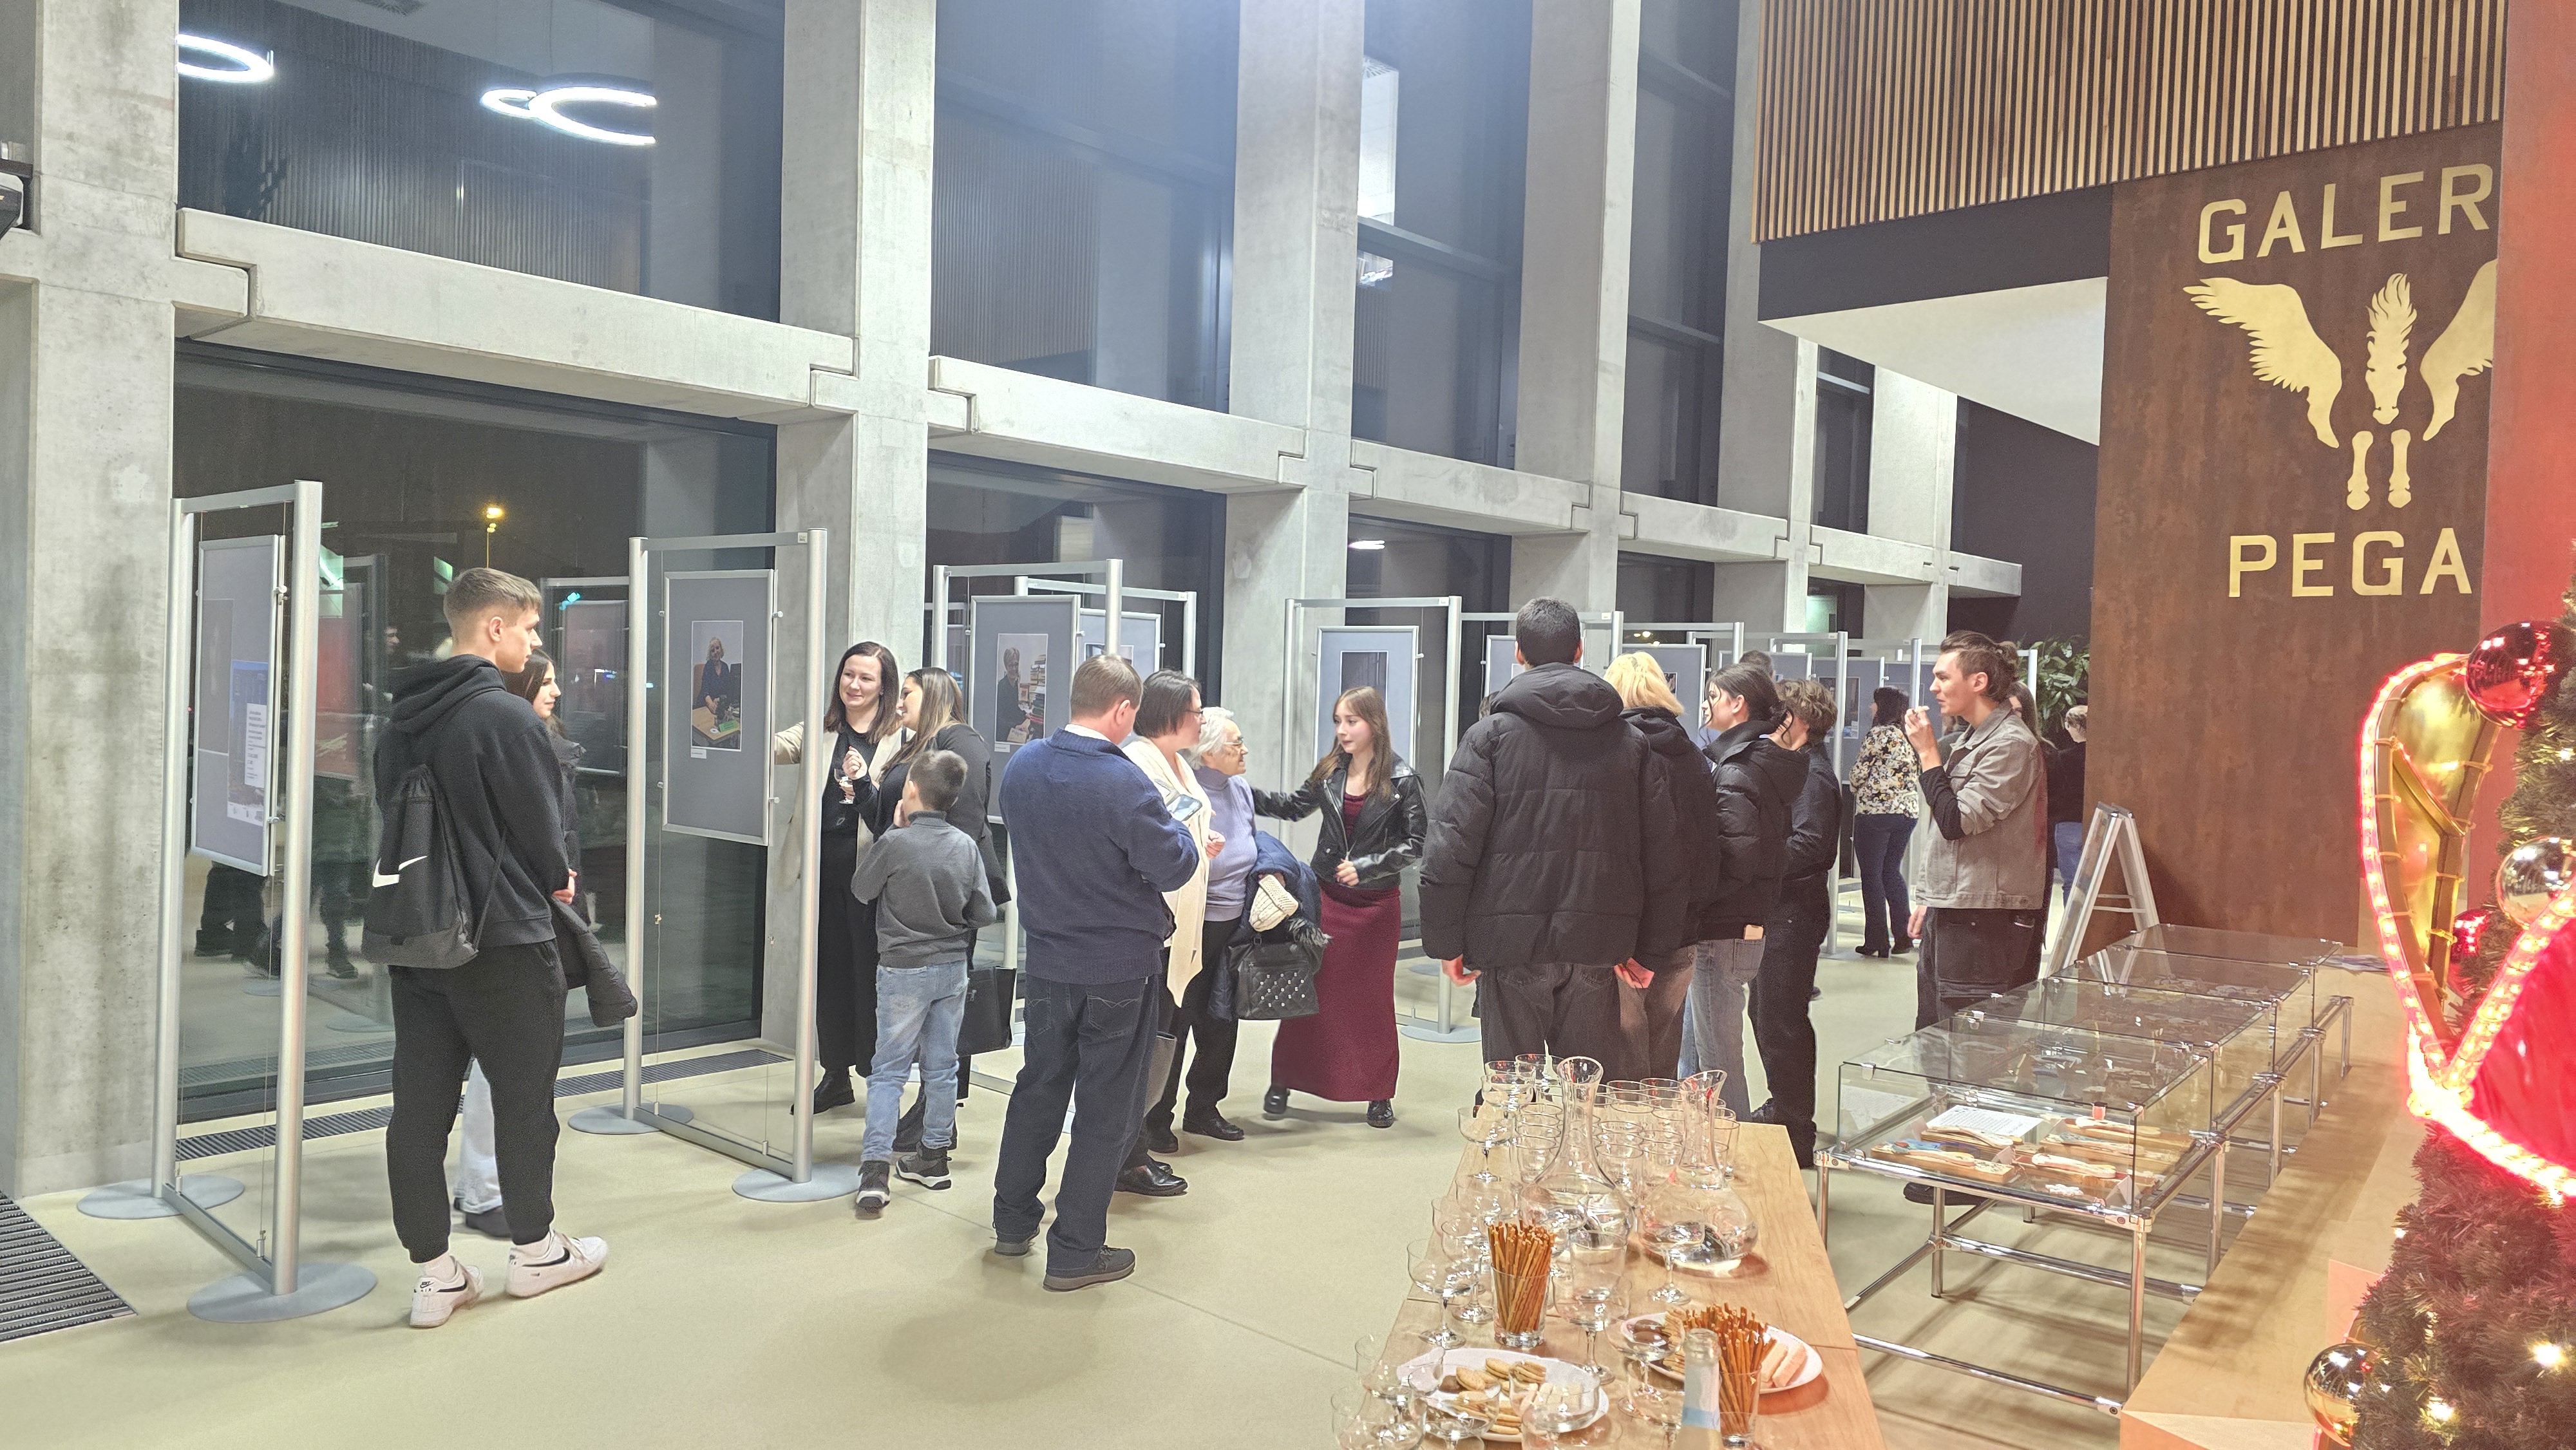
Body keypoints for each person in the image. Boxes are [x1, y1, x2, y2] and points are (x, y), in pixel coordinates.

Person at [375, 569, 603, 1329]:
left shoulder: (401, 721)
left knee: (418, 1110)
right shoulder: (506, 718)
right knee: (524, 1102)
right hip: (507, 939)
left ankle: (436, 1274)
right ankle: (536, 1251)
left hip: (421, 937)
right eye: (530, 628)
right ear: (495, 627)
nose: (535, 642)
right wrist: (557, 876)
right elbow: (545, 837)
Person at [992, 655, 1200, 1291]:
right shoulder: (1123, 782)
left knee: (1038, 1088)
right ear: (1123, 709)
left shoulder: (1023, 767)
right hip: (1118, 968)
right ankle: (1076, 1249)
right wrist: (1180, 830)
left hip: (1047, 963)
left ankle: (1012, 1221)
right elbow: (1175, 864)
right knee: (1106, 1107)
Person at [1421, 599, 1688, 1069]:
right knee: (1584, 1091)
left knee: (1512, 1093)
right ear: (1580, 650)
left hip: (1509, 943)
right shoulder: (1630, 743)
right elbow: (1665, 856)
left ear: (1519, 653)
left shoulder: (1489, 738)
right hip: (1597, 942)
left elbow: (1450, 848)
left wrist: (1447, 941)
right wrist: (1651, 949)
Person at [450, 648, 582, 1241]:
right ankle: (484, 1189)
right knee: (499, 1064)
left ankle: (489, 1184)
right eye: (545, 681)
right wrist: (554, 878)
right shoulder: (510, 743)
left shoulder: (544, 742)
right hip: (513, 918)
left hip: (537, 911)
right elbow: (535, 834)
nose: (555, 691)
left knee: (512, 1066)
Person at [1256, 685, 1427, 1129]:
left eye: (1352, 721)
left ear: (1375, 723)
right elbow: (1292, 807)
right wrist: (1237, 791)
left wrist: (1369, 866)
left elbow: (1417, 843)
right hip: (1326, 898)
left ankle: (1378, 1092)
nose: (1342, 730)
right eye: (1338, 721)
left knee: (1371, 1001)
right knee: (1311, 991)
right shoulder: (1331, 770)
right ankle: (1284, 1080)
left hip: (1375, 909)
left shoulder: (1403, 779)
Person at [848, 749, 998, 1216]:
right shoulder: (965, 846)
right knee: (942, 1067)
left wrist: (890, 833)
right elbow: (985, 911)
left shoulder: (896, 843)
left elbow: (861, 889)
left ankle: (876, 1171)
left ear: (910, 790)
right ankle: (933, 1159)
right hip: (951, 969)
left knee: (889, 1070)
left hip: (903, 970)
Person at [880, 668, 1008, 1153]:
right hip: (921, 892)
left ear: (932, 693)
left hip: (948, 898)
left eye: (907, 693)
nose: (899, 703)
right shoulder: (924, 741)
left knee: (945, 1015)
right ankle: (932, 1112)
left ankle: (937, 1116)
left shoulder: (962, 742)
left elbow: (965, 828)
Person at [774, 643, 903, 1115]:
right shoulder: (822, 728)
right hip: (824, 865)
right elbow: (777, 746)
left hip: (874, 870)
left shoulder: (901, 738)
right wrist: (731, 724)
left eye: (866, 678)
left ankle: (877, 1073)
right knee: (827, 970)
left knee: (869, 972)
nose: (854, 685)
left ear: (884, 687)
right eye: (849, 674)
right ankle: (835, 1075)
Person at [1904, 630, 2049, 1031]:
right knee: (1934, 1033)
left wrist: (1928, 752)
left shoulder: (2011, 744)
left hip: (1982, 922)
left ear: (1978, 682)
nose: (1933, 688)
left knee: (1968, 1044)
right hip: (1957, 908)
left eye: (1943, 677)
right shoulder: (1974, 739)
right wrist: (1930, 898)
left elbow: (1956, 822)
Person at [1678, 663, 1801, 1117]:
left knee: (1719, 1064)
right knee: (1702, 1055)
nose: (1706, 705)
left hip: (1723, 928)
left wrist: (1697, 899)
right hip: (1736, 925)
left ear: (1738, 704)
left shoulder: (1738, 770)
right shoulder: (1758, 764)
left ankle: (1733, 1146)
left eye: (1714, 696)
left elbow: (1737, 855)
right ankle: (1707, 1142)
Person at [1115, 670, 1220, 1196]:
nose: (1202, 720)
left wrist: (1204, 840)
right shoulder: (1140, 763)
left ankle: (1137, 1146)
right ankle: (1129, 1156)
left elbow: (1184, 827)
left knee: (1163, 1040)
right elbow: (1152, 842)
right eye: (1197, 711)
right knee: (1145, 1047)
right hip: (1154, 929)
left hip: (1182, 926)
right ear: (1172, 714)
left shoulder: (1178, 762)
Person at [1141, 706, 1254, 1149]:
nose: (1244, 750)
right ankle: (1157, 1117)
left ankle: (1204, 1108)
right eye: (1236, 743)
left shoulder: (1240, 789)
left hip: (1233, 926)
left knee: (1221, 1021)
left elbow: (1252, 842)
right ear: (1208, 755)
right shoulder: (1185, 789)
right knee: (1176, 1022)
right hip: (1192, 927)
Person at [1602, 653, 1718, 1080]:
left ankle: (1628, 1123)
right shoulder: (1692, 755)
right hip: (1683, 926)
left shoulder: (1615, 753)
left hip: (1626, 930)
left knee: (1623, 1052)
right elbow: (1708, 846)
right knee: (1664, 1052)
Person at [1749, 678, 1841, 1169]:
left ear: (1798, 720)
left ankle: (1795, 1127)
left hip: (1794, 910)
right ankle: (1785, 1110)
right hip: (1783, 907)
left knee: (1781, 1019)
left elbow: (1810, 843)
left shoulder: (1811, 775)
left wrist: (1754, 860)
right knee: (1767, 1014)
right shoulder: (1799, 769)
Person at [1850, 686, 1922, 957]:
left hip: (1876, 814)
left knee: (1871, 876)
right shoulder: (1908, 736)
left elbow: (1858, 774)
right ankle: (1903, 936)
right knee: (1891, 871)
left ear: (1883, 708)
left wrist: (1856, 786)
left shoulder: (1878, 734)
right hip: (1906, 814)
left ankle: (1877, 940)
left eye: (1875, 703)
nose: (1871, 708)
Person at [2047, 704, 2089, 900]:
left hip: (2068, 823)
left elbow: (2054, 792)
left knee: (2071, 882)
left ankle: (2071, 919)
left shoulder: (2063, 759)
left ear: (2077, 727)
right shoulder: (2103, 759)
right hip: (2096, 822)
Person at [697, 636, 739, 722]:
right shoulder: (708, 666)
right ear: (710, 654)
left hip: (720, 705)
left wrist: (720, 699)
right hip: (706, 705)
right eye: (713, 650)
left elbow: (728, 690)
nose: (716, 652)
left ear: (721, 649)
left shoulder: (725, 667)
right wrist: (711, 704)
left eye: (717, 648)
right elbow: (705, 690)